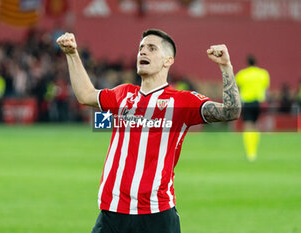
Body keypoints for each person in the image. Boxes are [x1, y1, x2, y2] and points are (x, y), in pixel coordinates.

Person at [57, 29, 241, 233]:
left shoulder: (181, 101)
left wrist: (225, 66)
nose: (143, 52)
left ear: (167, 61)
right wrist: (72, 54)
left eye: (151, 48)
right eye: (141, 48)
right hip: (113, 212)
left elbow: (231, 111)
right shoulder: (123, 94)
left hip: (157, 214)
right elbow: (85, 95)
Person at [236, 55, 269, 162]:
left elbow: (237, 88)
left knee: (248, 127)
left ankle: (250, 153)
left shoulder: (242, 74)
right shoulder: (263, 74)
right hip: (258, 103)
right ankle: (254, 151)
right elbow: (265, 87)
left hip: (247, 102)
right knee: (255, 126)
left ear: (247, 63)